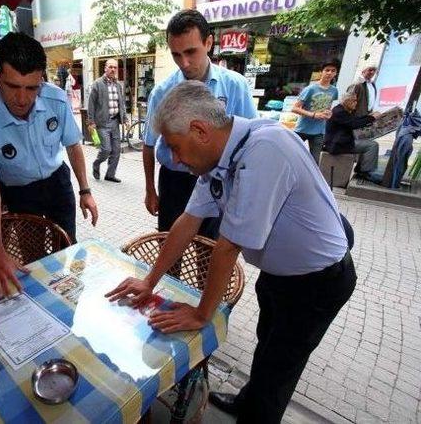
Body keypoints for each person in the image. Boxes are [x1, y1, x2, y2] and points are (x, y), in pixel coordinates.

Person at [106, 81, 356, 423]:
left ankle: (257, 414)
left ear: (199, 130)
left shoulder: (267, 148)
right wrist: (149, 281)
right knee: (265, 346)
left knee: (278, 371)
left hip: (317, 281)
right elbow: (186, 222)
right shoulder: (221, 157)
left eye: (176, 148)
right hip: (279, 274)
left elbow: (227, 247)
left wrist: (201, 314)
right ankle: (247, 400)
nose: (175, 159)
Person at [0, 32, 99, 296]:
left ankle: (69, 303)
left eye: (32, 87)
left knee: (67, 249)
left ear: (41, 78)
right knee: (33, 260)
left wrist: (85, 190)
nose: (22, 98)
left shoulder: (56, 99)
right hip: (19, 191)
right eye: (13, 86)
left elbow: (73, 144)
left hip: (57, 182)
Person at [143, 9, 257, 240]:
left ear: (209, 43)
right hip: (174, 182)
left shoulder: (235, 85)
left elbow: (251, 141)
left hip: (217, 177)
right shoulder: (162, 92)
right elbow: (148, 144)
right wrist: (150, 190)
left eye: (190, 52)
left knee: (208, 249)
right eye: (176, 55)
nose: (184, 63)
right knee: (169, 245)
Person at [292, 58, 340, 163]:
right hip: (302, 129)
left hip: (319, 131)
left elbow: (328, 106)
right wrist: (313, 115)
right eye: (327, 70)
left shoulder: (334, 90)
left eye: (333, 71)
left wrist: (329, 113)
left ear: (336, 73)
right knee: (292, 156)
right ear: (321, 72)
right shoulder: (310, 89)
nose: (329, 73)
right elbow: (294, 108)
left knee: (314, 161)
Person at [88, 59, 127, 183]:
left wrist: (124, 118)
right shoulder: (97, 84)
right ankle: (96, 163)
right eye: (110, 67)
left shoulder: (118, 85)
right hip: (102, 123)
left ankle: (110, 174)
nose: (113, 70)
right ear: (105, 68)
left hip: (115, 122)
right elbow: (91, 104)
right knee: (106, 149)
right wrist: (91, 122)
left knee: (116, 151)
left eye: (115, 67)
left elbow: (121, 103)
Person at [324, 91, 380, 177]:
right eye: (353, 101)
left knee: (367, 142)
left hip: (342, 141)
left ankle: (361, 169)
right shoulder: (339, 112)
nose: (356, 103)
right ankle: (366, 172)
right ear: (346, 101)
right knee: (372, 145)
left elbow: (355, 120)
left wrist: (370, 116)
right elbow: (354, 124)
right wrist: (372, 118)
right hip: (338, 145)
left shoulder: (343, 110)